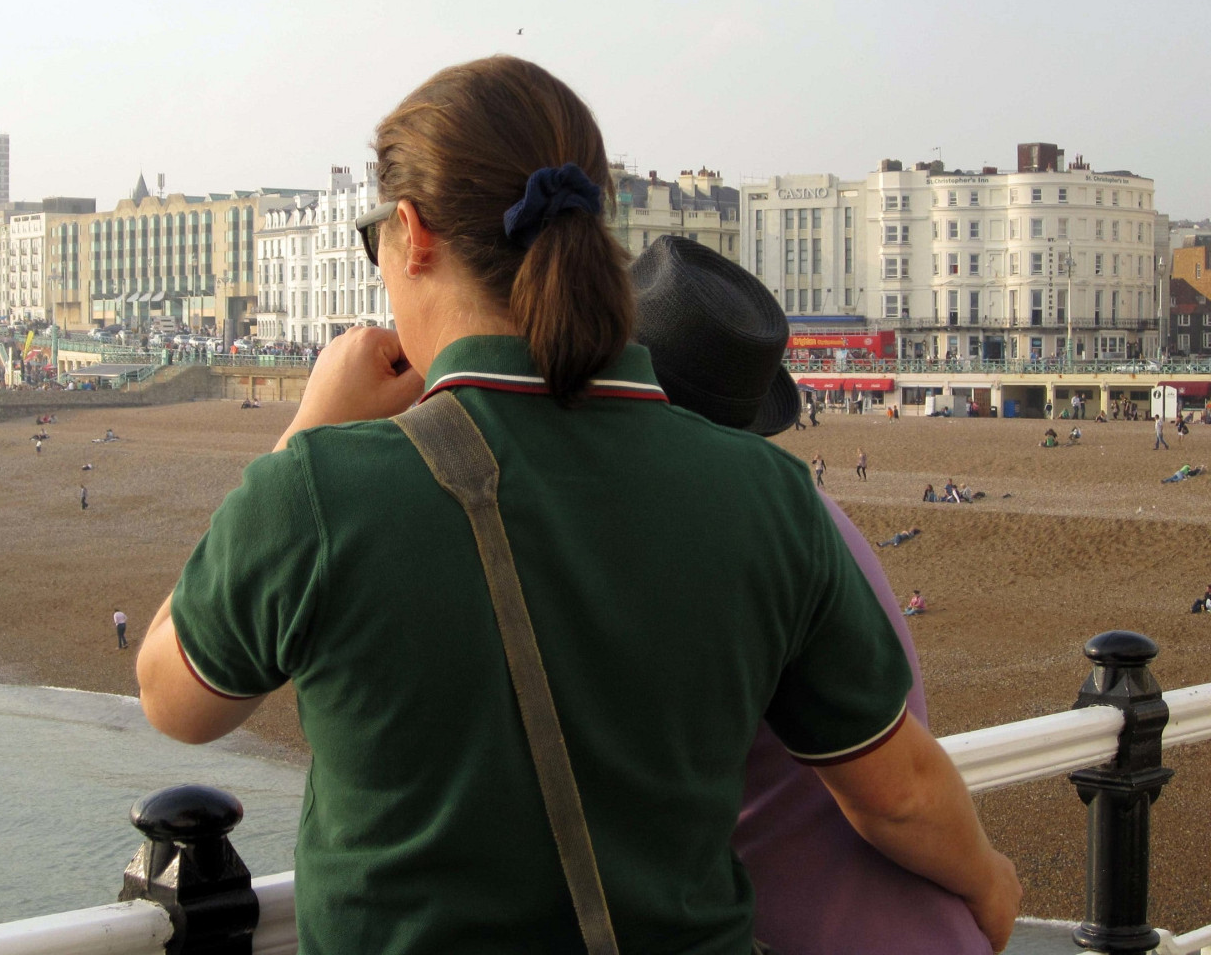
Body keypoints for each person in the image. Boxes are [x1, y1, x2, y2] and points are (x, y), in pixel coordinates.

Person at [133, 59, 1018, 953]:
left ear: (413, 233)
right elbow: (899, 795)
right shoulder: (766, 493)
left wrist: (309, 426)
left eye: (377, 243)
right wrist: (990, 883)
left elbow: (173, 700)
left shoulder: (320, 491)